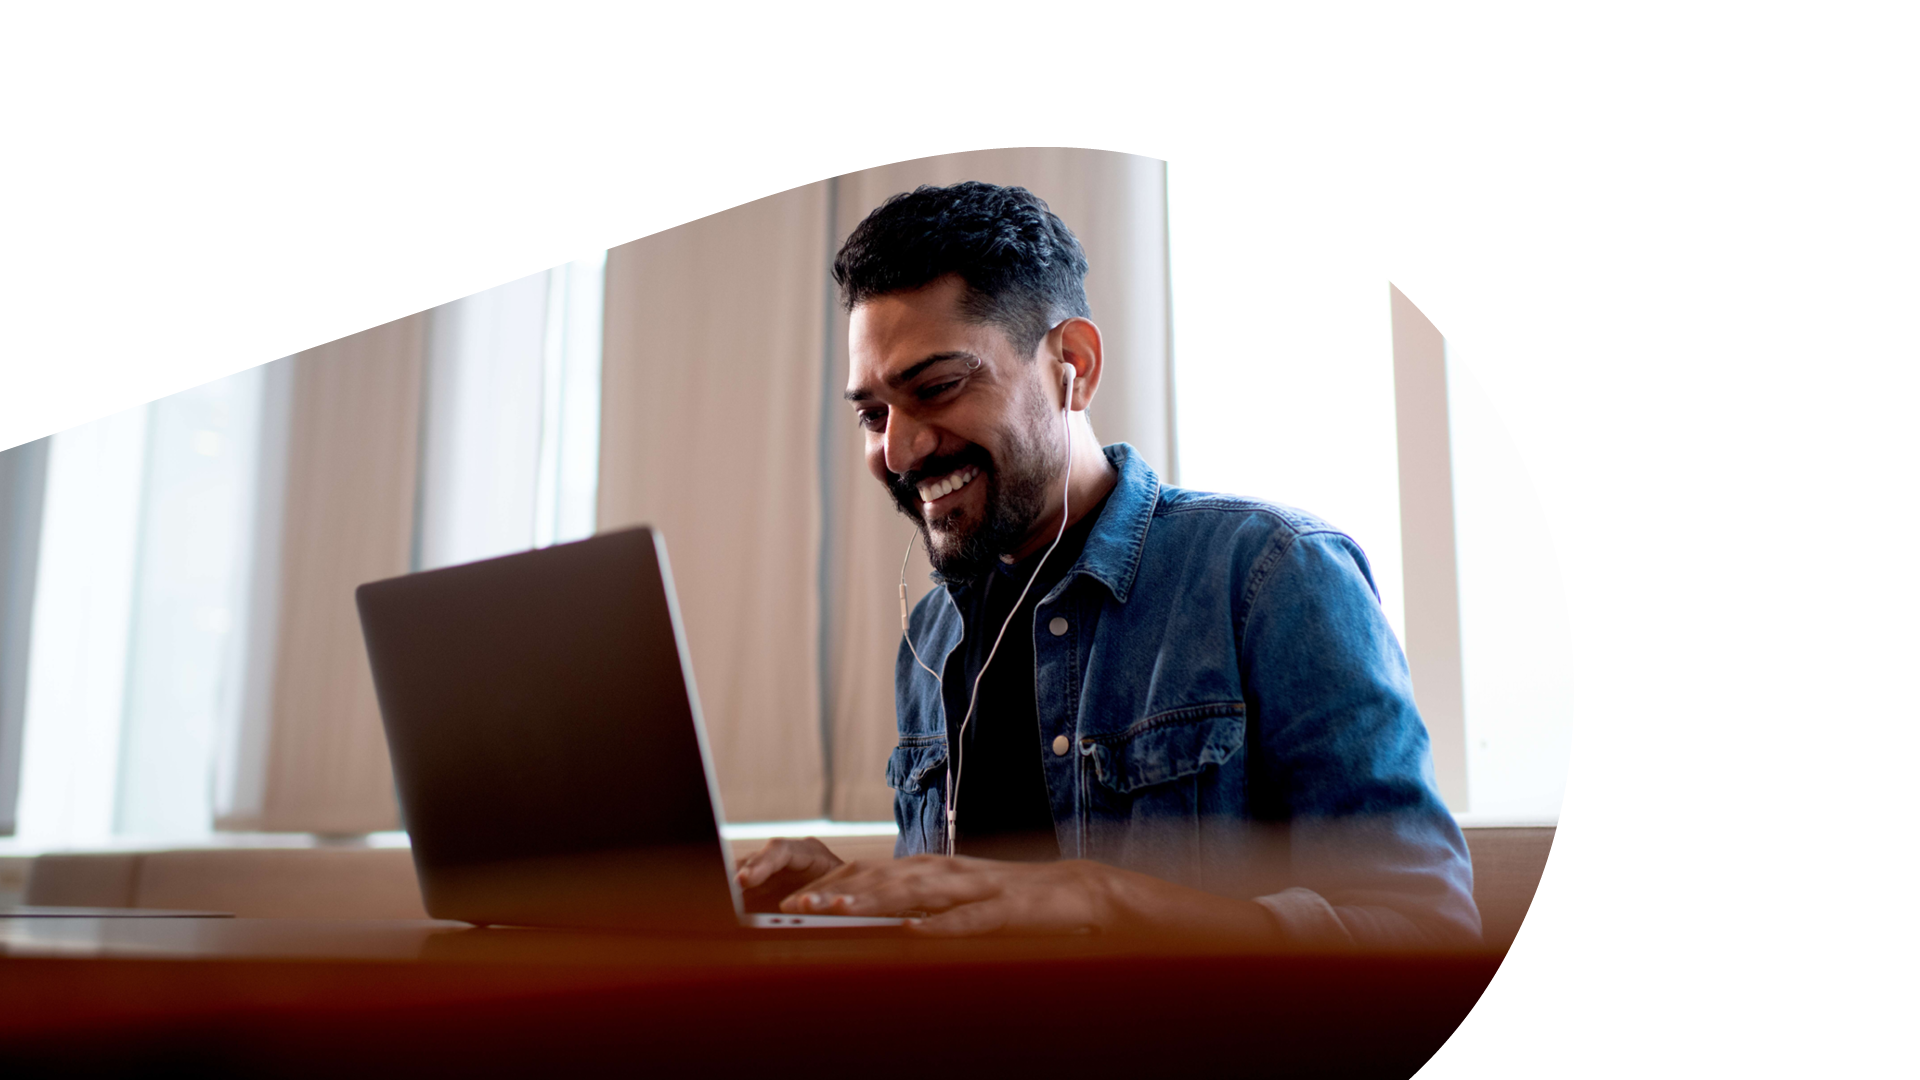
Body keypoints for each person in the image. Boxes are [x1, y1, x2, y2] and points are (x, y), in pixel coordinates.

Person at [737, 181, 1479, 948]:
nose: (897, 450)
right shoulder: (932, 634)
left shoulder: (1274, 575)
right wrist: (859, 900)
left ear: (1074, 365)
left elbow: (1428, 931)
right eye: (873, 414)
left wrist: (1106, 901)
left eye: (937, 388)